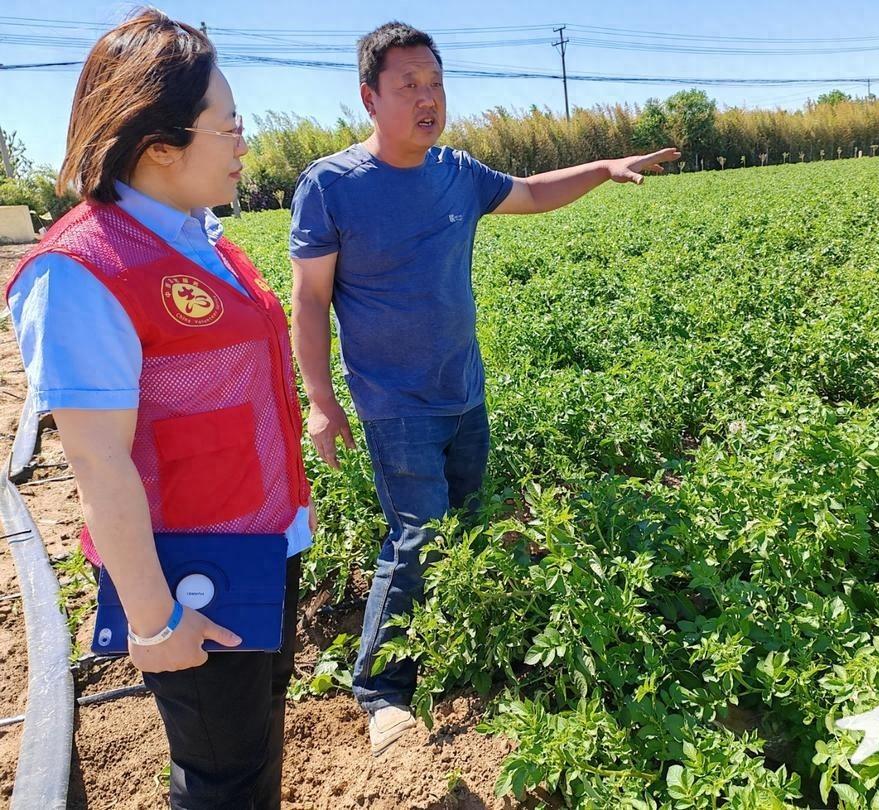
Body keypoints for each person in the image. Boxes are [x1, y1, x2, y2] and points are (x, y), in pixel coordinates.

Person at [289, 20, 678, 756]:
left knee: (464, 529)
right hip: (395, 404)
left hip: (464, 392)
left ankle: (459, 644)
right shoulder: (331, 186)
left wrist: (599, 168)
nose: (427, 98)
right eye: (409, 85)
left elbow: (529, 192)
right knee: (420, 538)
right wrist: (320, 401)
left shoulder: (456, 173)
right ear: (370, 97)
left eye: (435, 83)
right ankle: (382, 693)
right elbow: (309, 300)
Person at [6, 10, 314, 808]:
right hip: (193, 580)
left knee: (252, 750)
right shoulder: (83, 272)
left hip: (262, 544)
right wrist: (152, 620)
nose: (246, 142)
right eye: (231, 125)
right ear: (160, 147)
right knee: (221, 778)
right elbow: (96, 458)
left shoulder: (199, 236)